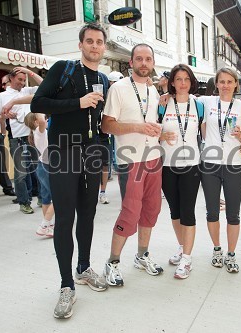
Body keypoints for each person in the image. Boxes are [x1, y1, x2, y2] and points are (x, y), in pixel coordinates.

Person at [30, 23, 109, 319]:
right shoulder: (63, 68)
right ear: (81, 45)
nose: (94, 46)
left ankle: (83, 268)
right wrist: (77, 102)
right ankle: (66, 286)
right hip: (64, 153)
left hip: (91, 154)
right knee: (65, 218)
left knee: (88, 215)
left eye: (99, 42)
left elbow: (103, 119)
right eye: (89, 41)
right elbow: (39, 102)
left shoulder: (103, 78)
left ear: (104, 47)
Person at [101, 43, 163, 286]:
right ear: (131, 63)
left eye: (148, 58)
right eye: (139, 58)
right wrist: (137, 126)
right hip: (131, 161)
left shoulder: (153, 91)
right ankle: (113, 262)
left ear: (153, 62)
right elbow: (107, 126)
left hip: (153, 158)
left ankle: (141, 255)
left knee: (151, 210)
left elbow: (152, 120)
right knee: (130, 213)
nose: (144, 63)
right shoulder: (118, 89)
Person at [198, 67, 241, 273]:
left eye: (230, 82)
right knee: (212, 212)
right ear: (216, 84)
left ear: (236, 84)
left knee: (233, 214)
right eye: (222, 81)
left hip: (234, 165)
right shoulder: (205, 102)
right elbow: (182, 96)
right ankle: (217, 250)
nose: (225, 85)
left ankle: (231, 254)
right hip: (209, 164)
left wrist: (240, 136)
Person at [158, 64, 203, 279]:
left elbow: (206, 133)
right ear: (172, 82)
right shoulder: (163, 104)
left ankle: (187, 258)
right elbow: (153, 130)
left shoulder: (199, 105)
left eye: (186, 79)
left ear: (191, 81)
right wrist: (160, 137)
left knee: (188, 211)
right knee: (174, 211)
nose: (183, 83)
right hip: (168, 165)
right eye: (178, 79)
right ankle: (182, 246)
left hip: (191, 165)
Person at [0, 67, 42, 214]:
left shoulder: (27, 91)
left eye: (24, 80)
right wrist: (5, 116)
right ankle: (24, 202)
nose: (22, 82)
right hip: (17, 138)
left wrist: (29, 71)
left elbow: (44, 84)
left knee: (38, 169)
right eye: (19, 79)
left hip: (33, 136)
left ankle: (41, 197)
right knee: (21, 172)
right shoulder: (2, 96)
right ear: (11, 79)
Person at [24, 112, 54, 238]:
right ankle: (44, 224)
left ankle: (49, 226)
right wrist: (38, 106)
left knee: (46, 197)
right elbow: (42, 121)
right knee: (59, 196)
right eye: (44, 118)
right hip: (47, 167)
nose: (46, 120)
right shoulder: (39, 130)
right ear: (36, 122)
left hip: (42, 166)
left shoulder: (36, 133)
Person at [97, 71, 124, 204]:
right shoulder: (102, 95)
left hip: (109, 135)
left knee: (107, 165)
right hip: (96, 134)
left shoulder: (120, 96)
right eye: (114, 82)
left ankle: (103, 192)